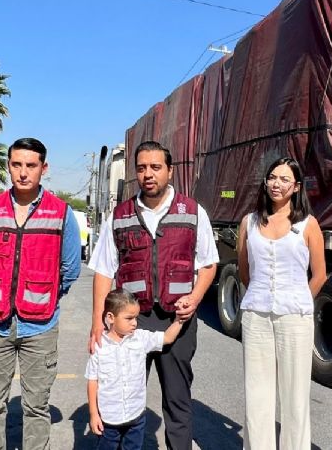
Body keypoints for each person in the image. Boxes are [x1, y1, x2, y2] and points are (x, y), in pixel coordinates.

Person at [89, 140, 219, 450]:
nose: (149, 174)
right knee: (120, 393)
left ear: (170, 171)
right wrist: (97, 322)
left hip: (178, 320)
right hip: (132, 322)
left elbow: (209, 263)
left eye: (156, 167)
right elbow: (104, 270)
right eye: (142, 168)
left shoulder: (192, 211)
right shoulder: (119, 215)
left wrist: (196, 297)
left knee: (177, 400)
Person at [0, 137, 81, 450]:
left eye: (31, 165)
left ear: (44, 168)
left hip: (40, 327)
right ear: (8, 166)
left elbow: (70, 269)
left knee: (36, 407)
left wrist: (43, 297)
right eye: (16, 164)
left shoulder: (60, 213)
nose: (23, 172)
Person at [236, 157, 326, 450]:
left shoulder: (308, 225)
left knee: (295, 395)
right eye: (272, 177)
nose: (277, 184)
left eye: (284, 179)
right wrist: (263, 294)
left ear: (296, 186)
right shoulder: (249, 222)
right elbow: (244, 269)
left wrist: (298, 299)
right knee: (257, 392)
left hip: (295, 318)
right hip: (256, 314)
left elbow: (320, 274)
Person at [86, 289, 183, 450]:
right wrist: (94, 414)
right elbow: (92, 381)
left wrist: (179, 319)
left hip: (136, 416)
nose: (134, 323)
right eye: (129, 318)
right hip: (109, 420)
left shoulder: (140, 338)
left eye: (136, 318)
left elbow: (167, 338)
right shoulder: (99, 346)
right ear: (111, 317)